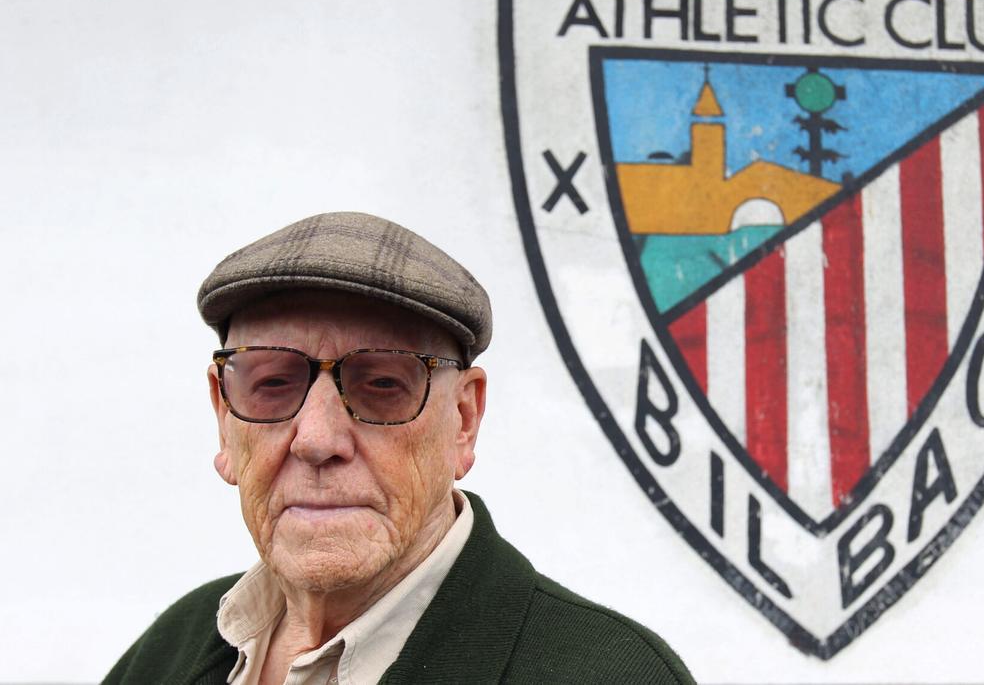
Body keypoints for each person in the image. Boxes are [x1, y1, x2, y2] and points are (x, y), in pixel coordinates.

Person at [103, 211, 694, 684]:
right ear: (223, 417)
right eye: (273, 383)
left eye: (383, 384)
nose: (316, 439)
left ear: (464, 420)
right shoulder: (173, 648)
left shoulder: (609, 673)